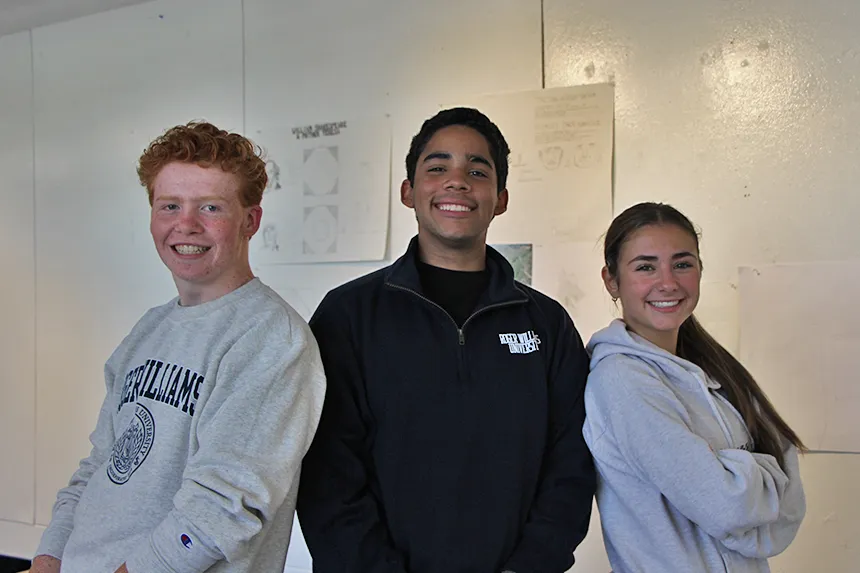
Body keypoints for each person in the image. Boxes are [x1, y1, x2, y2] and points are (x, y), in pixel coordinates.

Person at [296, 107, 596, 573]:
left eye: (477, 170)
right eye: (437, 168)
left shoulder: (546, 324)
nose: (457, 181)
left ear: (500, 198)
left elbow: (570, 467)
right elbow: (327, 476)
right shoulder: (348, 314)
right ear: (408, 191)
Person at [31, 122, 326, 573]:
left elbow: (222, 509)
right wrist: (49, 558)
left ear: (250, 220)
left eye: (210, 207)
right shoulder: (150, 330)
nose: (185, 224)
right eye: (170, 205)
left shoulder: (273, 340)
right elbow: (100, 466)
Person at [584, 202, 806, 572]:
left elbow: (790, 504)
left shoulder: (712, 369)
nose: (668, 282)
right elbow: (726, 506)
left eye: (683, 264)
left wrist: (731, 472)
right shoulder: (621, 381)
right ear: (611, 280)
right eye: (645, 267)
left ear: (700, 270)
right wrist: (754, 471)